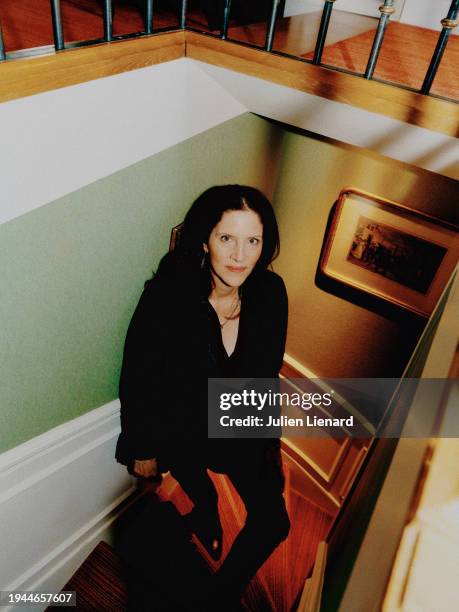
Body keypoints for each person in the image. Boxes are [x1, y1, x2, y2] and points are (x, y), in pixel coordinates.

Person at [115, 185, 290, 610]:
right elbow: (139, 374)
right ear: (204, 239)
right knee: (196, 480)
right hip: (186, 427)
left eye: (253, 241)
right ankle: (208, 510)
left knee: (273, 523)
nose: (240, 256)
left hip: (245, 425)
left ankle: (217, 598)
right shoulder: (167, 298)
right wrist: (143, 447)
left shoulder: (270, 293)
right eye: (226, 238)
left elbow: (266, 373)